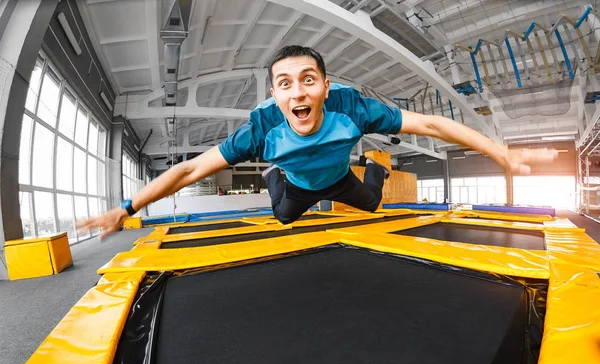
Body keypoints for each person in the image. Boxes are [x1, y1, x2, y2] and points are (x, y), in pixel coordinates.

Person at [78, 45, 557, 239]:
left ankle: (376, 167)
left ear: (325, 87)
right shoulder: (261, 128)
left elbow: (431, 125)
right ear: (274, 94)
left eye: (308, 80)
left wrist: (500, 152)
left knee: (370, 204)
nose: (298, 92)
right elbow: (187, 171)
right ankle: (274, 175)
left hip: (339, 177)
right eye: (285, 84)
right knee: (283, 214)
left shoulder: (353, 108)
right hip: (302, 185)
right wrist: (128, 206)